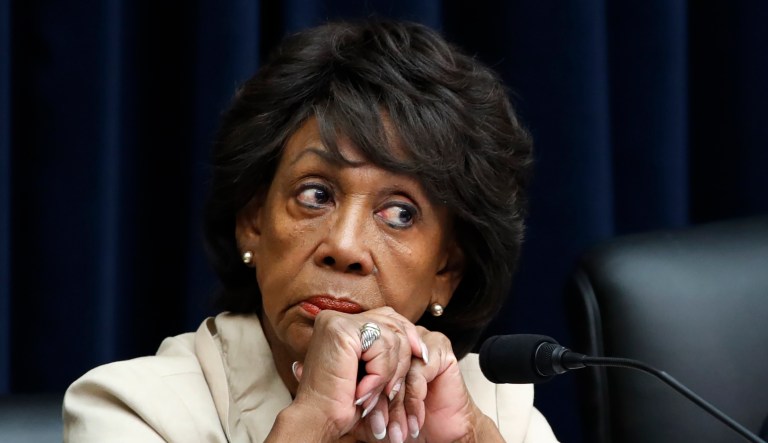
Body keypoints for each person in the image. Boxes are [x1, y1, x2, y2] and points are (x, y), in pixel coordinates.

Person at [63, 19, 559, 442]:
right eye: (316, 195)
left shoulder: (497, 411)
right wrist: (313, 420)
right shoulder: (137, 411)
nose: (344, 248)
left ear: (446, 270)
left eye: (400, 213)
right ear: (252, 224)